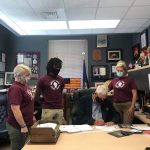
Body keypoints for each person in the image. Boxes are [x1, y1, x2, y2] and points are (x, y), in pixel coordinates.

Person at [6, 64, 35, 150]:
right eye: (27, 75)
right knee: (18, 148)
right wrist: (23, 126)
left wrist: (32, 116)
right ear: (19, 75)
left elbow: (28, 104)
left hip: (27, 123)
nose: (29, 77)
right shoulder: (15, 88)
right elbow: (15, 109)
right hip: (17, 127)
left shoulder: (25, 86)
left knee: (27, 147)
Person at [34, 57, 65, 124]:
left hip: (59, 109)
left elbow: (60, 94)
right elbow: (37, 96)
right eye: (56, 66)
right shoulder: (42, 80)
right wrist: (44, 104)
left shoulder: (61, 79)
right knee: (46, 131)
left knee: (59, 130)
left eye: (59, 67)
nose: (58, 68)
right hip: (47, 110)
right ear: (50, 66)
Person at [108, 60, 137, 125]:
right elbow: (106, 89)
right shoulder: (114, 80)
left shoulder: (130, 80)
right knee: (116, 125)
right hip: (116, 106)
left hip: (127, 105)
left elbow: (134, 94)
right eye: (118, 71)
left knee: (126, 126)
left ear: (124, 71)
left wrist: (132, 107)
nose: (119, 72)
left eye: (121, 71)